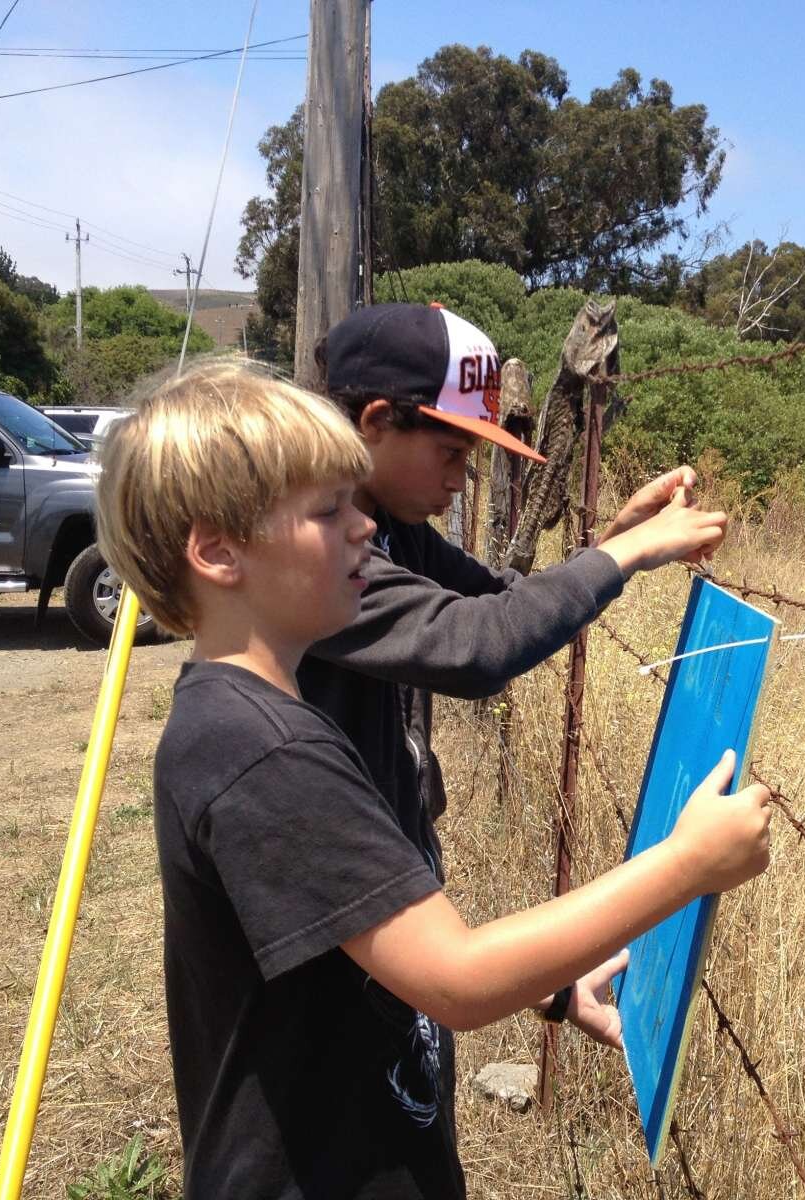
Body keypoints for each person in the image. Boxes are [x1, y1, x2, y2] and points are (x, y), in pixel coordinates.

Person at [94, 359, 772, 1199]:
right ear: (218, 551)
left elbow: (365, 932)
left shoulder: (253, 719)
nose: (364, 530)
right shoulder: (264, 753)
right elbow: (455, 977)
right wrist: (687, 864)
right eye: (328, 510)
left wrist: (556, 989)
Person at [296, 303, 724, 1072]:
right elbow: (479, 645)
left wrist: (614, 543)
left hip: (379, 940)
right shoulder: (316, 564)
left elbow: (495, 598)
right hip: (323, 984)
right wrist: (622, 560)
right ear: (375, 422)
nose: (461, 483)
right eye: (452, 453)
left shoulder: (388, 527)